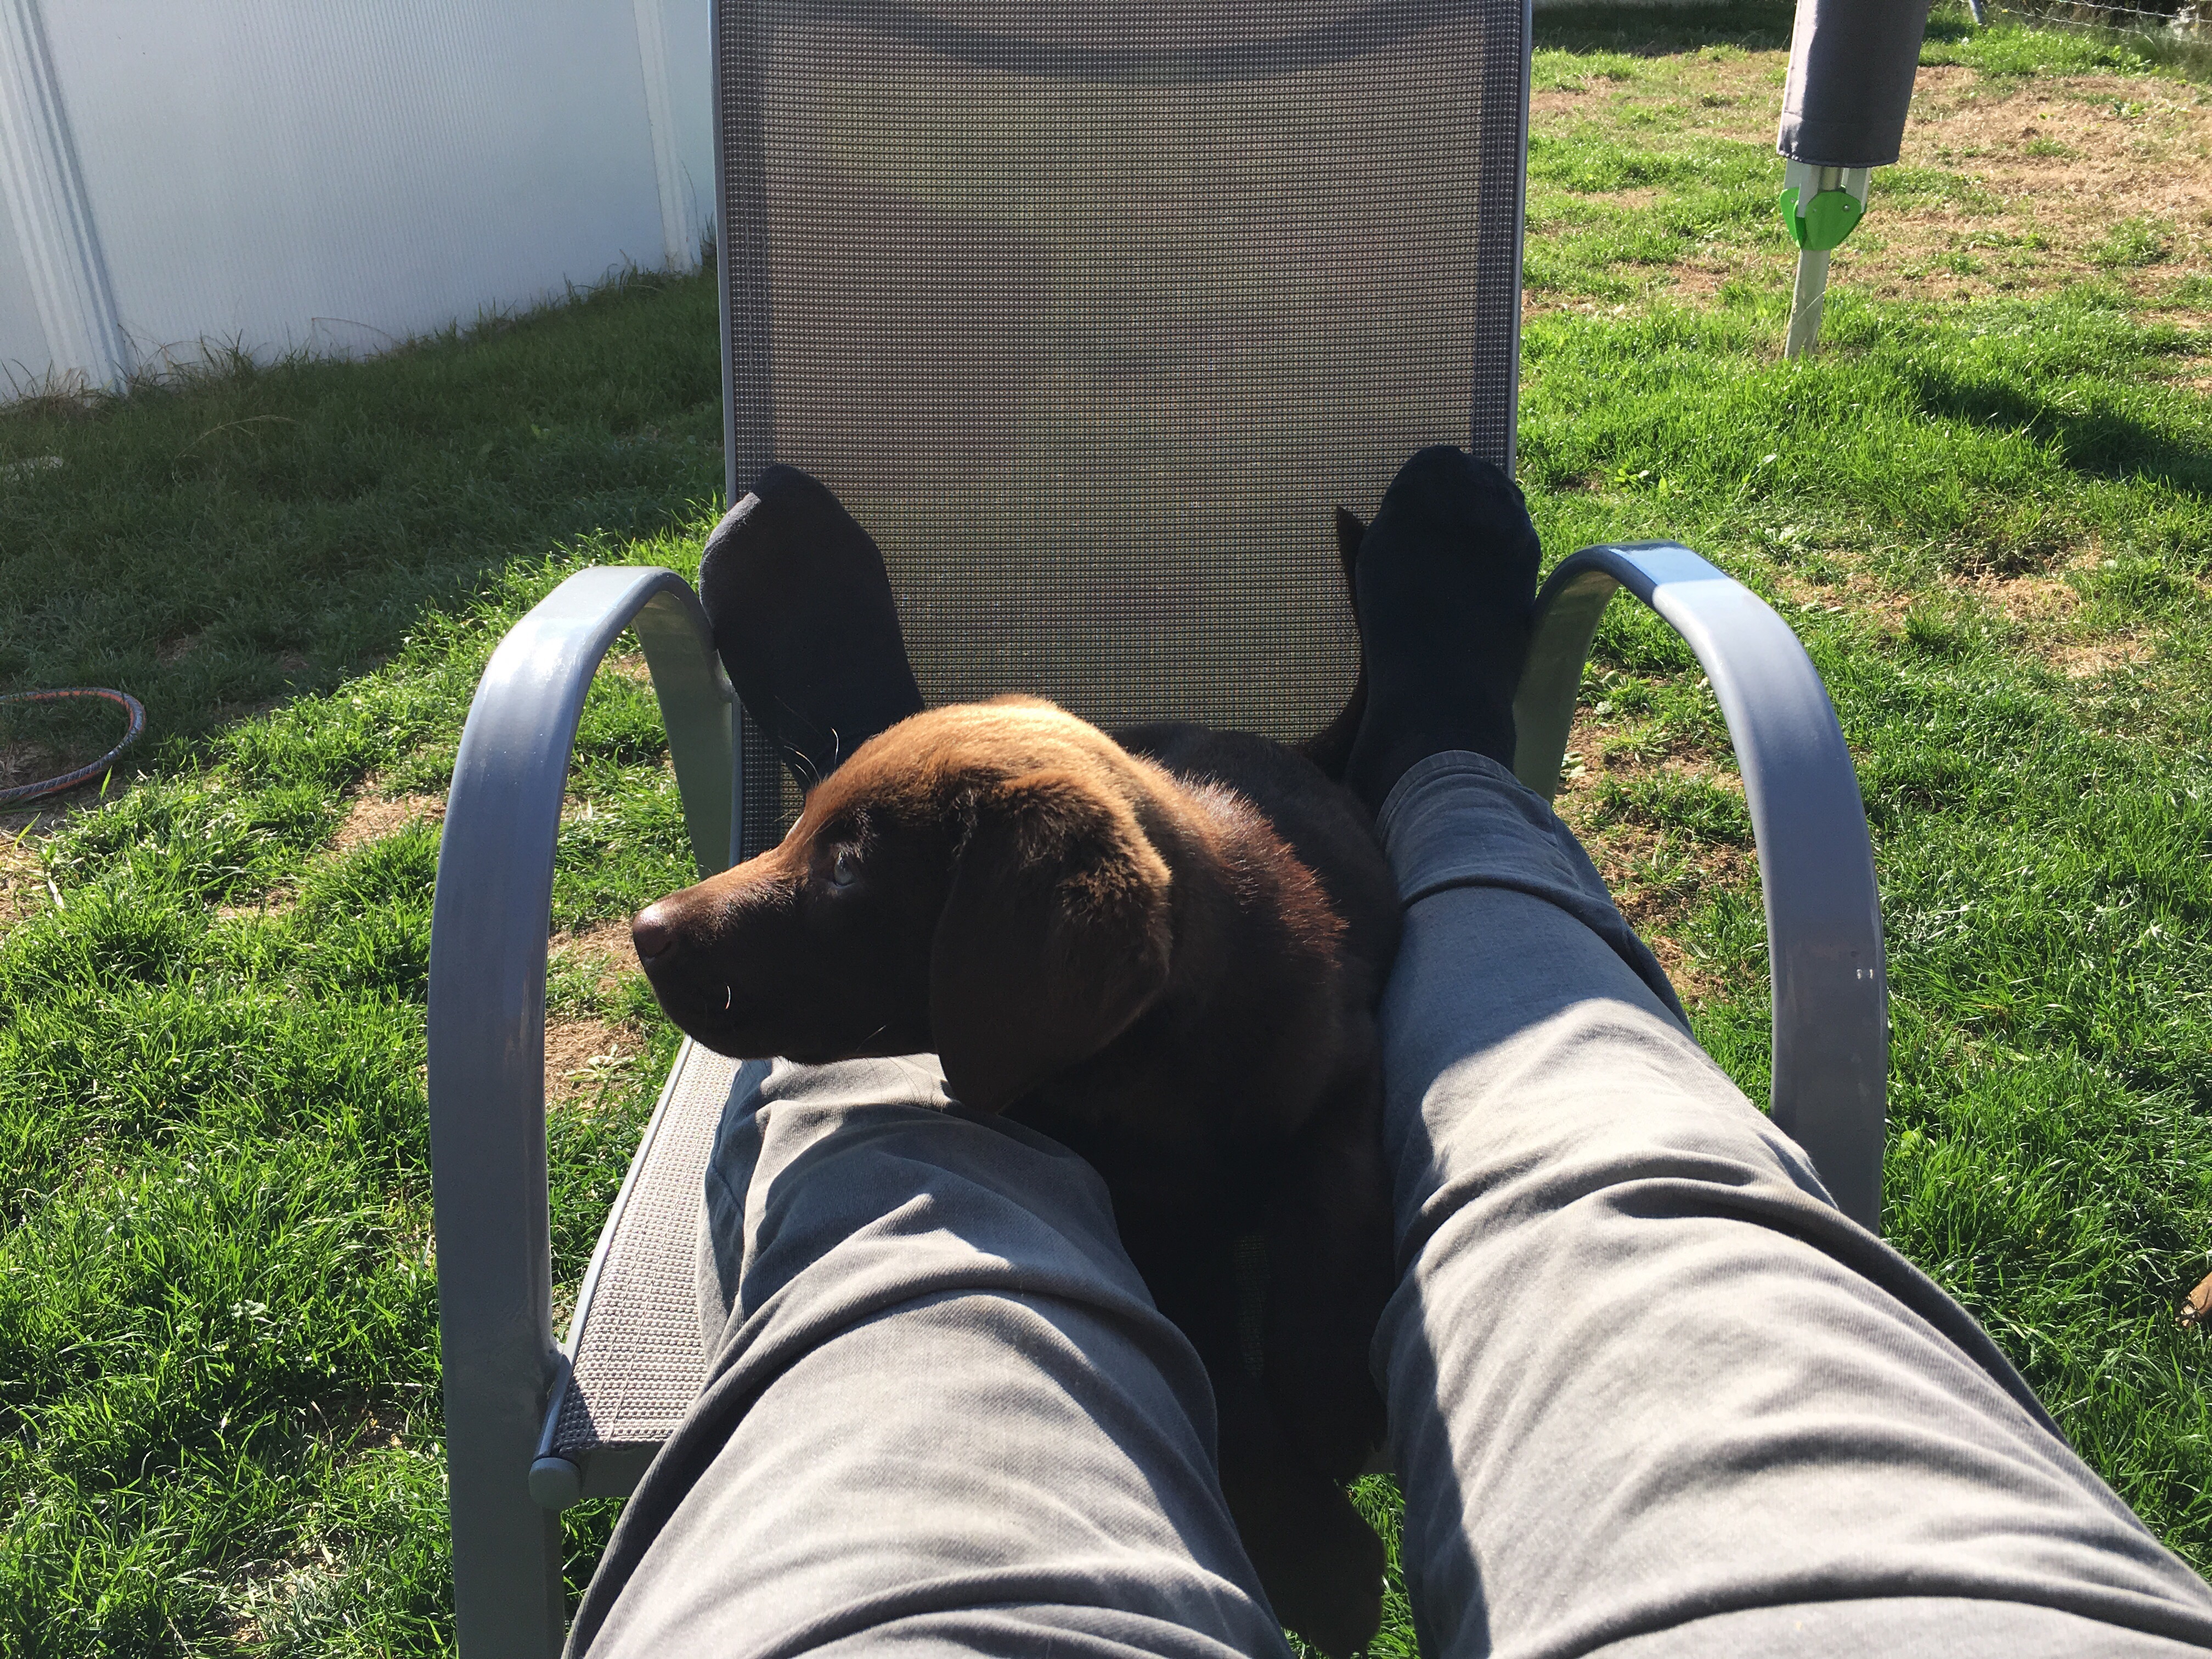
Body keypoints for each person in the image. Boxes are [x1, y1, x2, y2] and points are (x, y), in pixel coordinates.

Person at [568, 449, 2212, 1656]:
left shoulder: (1102, 975)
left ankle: (941, 749)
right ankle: (1437, 757)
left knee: (897, 1178)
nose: (661, 919)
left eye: (843, 852)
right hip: (1125, 931)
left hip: (1133, 966)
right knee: (1575, 1092)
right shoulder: (1066, 950)